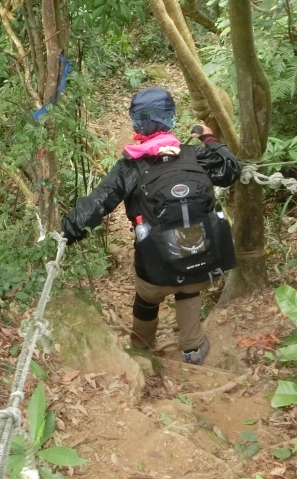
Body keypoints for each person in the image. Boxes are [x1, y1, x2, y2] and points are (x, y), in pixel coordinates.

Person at [61, 87, 241, 365]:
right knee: (189, 287)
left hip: (155, 270)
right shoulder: (194, 155)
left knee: (147, 298)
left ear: (137, 124)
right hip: (201, 262)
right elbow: (231, 170)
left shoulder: (129, 168)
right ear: (170, 119)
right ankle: (192, 348)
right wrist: (208, 137)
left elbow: (96, 205)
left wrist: (63, 235)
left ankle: (142, 350)